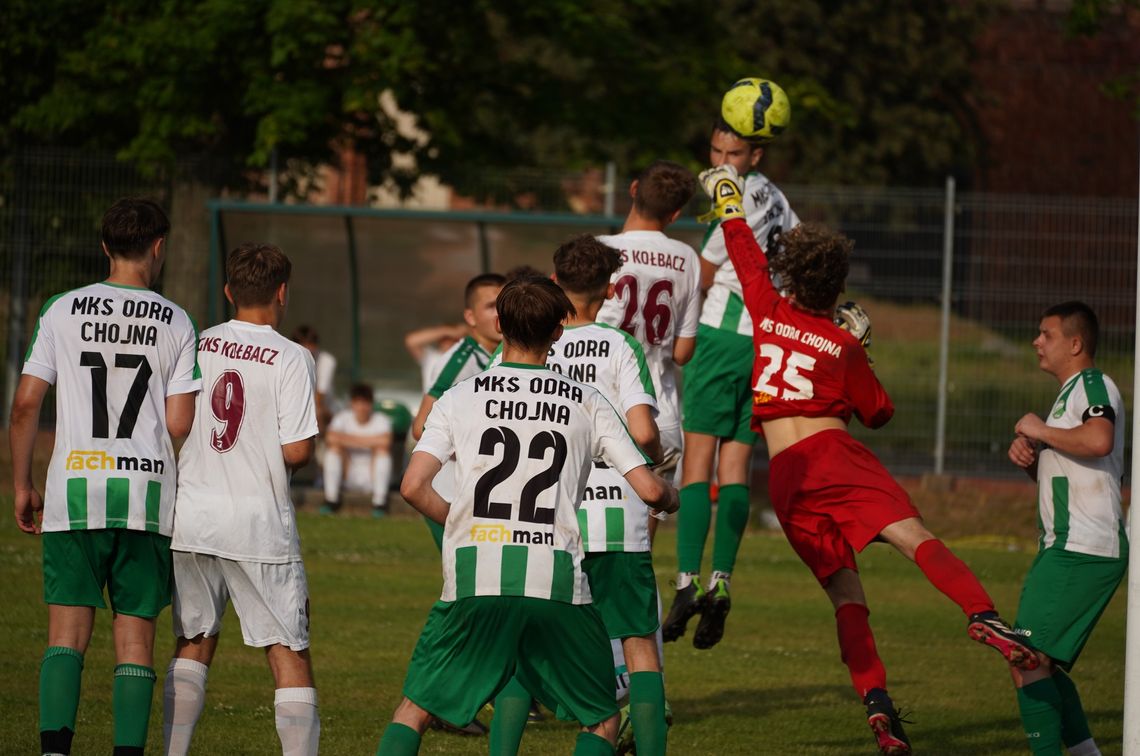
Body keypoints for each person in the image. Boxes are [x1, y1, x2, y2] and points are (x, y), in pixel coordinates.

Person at [699, 165, 1039, 755]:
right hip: (832, 457)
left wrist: (729, 199)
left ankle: (878, 709)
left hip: (783, 477)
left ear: (791, 276)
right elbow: (878, 413)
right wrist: (864, 350)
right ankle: (982, 615)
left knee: (846, 595)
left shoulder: (766, 308)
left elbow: (746, 255)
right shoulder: (845, 342)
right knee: (914, 538)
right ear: (836, 286)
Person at [375, 275, 680, 756]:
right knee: (601, 719)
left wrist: (462, 518)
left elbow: (412, 486)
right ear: (558, 331)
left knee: (413, 710)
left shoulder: (460, 397)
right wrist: (669, 497)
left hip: (475, 576)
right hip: (555, 580)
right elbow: (646, 487)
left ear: (498, 324)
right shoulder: (587, 400)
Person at [8, 198, 201, 755]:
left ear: (104, 247)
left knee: (65, 636)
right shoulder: (177, 320)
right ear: (159, 247)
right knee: (135, 638)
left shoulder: (62, 309)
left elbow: (25, 405)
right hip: (145, 497)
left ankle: (53, 752)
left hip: (74, 491)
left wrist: (23, 484)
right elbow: (179, 422)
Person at [488, 236, 668, 755]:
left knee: (525, 648)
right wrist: (647, 463)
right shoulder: (620, 345)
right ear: (611, 290)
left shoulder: (530, 341)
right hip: (616, 514)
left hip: (544, 517)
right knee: (638, 647)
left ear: (553, 282)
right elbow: (644, 430)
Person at [164, 242, 321, 755]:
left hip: (193, 515)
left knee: (194, 640)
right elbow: (296, 448)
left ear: (230, 291)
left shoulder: (199, 342)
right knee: (288, 648)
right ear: (282, 292)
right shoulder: (292, 356)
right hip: (257, 521)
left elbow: (178, 422)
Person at [662, 118, 800, 650]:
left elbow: (702, 269)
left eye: (734, 153)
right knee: (737, 465)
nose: (722, 163)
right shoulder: (779, 200)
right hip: (764, 342)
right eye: (716, 151)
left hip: (721, 337)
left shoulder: (734, 201)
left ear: (755, 155)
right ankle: (723, 582)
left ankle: (686, 582)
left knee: (698, 462)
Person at [1005, 301, 1126, 756]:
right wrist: (1032, 462)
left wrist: (1039, 428)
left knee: (1026, 661)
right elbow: (1078, 469)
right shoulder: (1069, 394)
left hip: (1082, 548)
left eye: (1046, 334)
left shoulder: (1093, 383)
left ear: (1075, 344)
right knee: (1041, 666)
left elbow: (1098, 440)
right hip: (1066, 546)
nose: (1037, 341)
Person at [596, 159, 701, 472]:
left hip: (602, 404)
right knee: (647, 511)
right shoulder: (688, 258)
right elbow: (683, 353)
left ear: (633, 190)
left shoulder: (599, 249)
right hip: (658, 413)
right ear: (676, 213)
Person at [410, 272, 505, 550]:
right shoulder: (461, 361)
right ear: (470, 317)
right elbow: (421, 427)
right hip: (449, 493)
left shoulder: (494, 355)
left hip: (474, 489)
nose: (499, 314)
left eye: (503, 304)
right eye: (490, 307)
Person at [321, 383, 394, 518]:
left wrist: (346, 439)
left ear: (371, 404)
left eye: (365, 403)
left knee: (382, 452)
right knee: (333, 450)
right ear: (352, 403)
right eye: (358, 403)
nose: (362, 408)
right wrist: (370, 442)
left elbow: (385, 442)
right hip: (347, 474)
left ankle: (379, 502)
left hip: (371, 477)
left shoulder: (381, 420)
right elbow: (330, 438)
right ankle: (331, 499)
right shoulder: (342, 417)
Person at [292, 325, 337, 433]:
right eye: (304, 343)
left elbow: (319, 397)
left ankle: (318, 445)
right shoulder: (290, 358)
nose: (308, 348)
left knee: (317, 411)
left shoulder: (327, 360)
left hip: (326, 408)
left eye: (311, 343)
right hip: (298, 404)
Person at [403, 323, 467, 395]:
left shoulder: (467, 358)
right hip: (431, 404)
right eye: (446, 339)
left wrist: (463, 333)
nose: (449, 342)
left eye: (455, 339)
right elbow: (411, 341)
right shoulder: (431, 357)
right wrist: (446, 331)